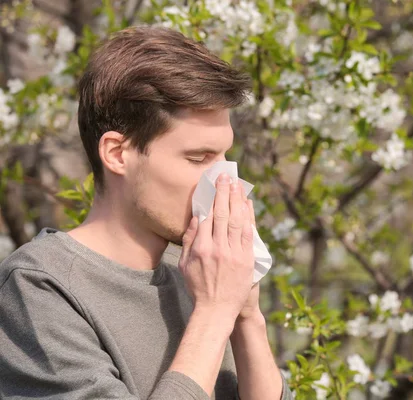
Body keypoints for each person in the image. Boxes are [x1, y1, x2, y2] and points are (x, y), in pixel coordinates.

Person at [0, 26, 293, 400]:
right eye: (199, 158)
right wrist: (215, 310)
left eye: (225, 156)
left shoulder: (196, 268)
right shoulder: (38, 288)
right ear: (118, 154)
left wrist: (245, 314)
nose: (226, 182)